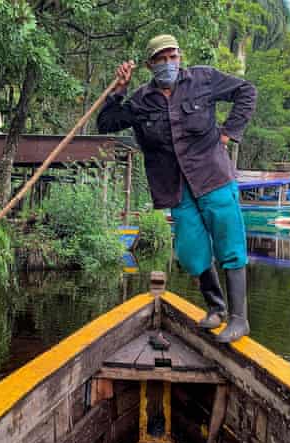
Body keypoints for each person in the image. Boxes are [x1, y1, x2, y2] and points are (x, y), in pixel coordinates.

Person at [97, 34, 257, 343]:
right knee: (192, 252)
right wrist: (119, 90)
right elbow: (106, 123)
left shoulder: (203, 78)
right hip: (175, 187)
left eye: (173, 56)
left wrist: (228, 133)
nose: (169, 63)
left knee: (230, 244)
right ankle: (216, 308)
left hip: (213, 177)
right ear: (150, 65)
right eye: (161, 58)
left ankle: (239, 319)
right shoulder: (142, 100)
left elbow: (246, 91)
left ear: (180, 57)